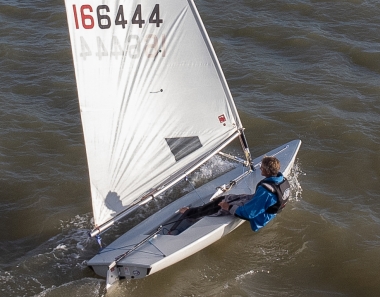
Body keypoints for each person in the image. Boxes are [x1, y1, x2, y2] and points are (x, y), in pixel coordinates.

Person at [178, 156, 290, 232]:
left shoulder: (266, 192)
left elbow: (249, 213)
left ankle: (190, 214)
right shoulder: (281, 180)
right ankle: (210, 207)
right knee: (226, 198)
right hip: (266, 209)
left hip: (260, 217)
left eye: (262, 167)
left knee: (220, 204)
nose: (260, 167)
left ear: (268, 171)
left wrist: (229, 207)